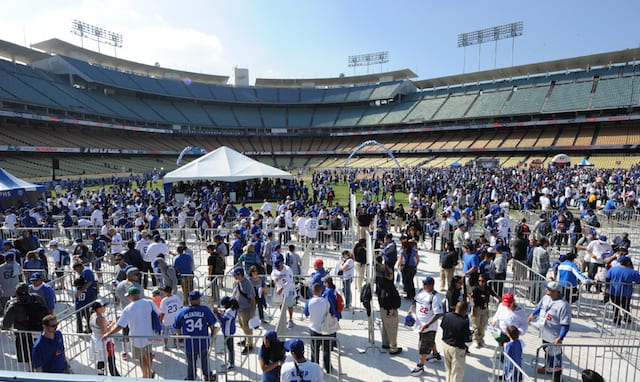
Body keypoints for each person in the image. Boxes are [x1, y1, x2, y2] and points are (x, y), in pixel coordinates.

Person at [103, 286, 158, 379]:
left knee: (141, 358)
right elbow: (158, 314)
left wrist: (108, 334)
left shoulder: (129, 308)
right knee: (148, 355)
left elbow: (120, 325)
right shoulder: (149, 302)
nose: (127, 297)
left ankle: (146, 376)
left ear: (132, 296)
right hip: (149, 334)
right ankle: (149, 372)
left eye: (128, 296)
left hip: (136, 338)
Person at [528, 281, 571, 381]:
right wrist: (533, 314)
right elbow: (540, 307)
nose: (546, 290)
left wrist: (560, 337)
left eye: (549, 289)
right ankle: (547, 368)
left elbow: (566, 324)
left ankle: (557, 378)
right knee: (545, 350)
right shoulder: (546, 298)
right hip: (544, 332)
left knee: (556, 357)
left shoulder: (564, 305)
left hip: (554, 336)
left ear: (556, 292)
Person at [173, 290, 217, 381]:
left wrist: (180, 336)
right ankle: (207, 375)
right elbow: (212, 325)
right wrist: (213, 333)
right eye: (199, 298)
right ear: (196, 300)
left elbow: (177, 327)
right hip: (203, 341)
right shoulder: (205, 310)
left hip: (189, 342)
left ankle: (191, 377)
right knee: (204, 359)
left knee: (191, 361)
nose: (200, 300)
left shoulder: (182, 312)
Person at [2, 283, 48, 363]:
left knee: (28, 360)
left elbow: (6, 325)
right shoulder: (37, 298)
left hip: (23, 337)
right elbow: (46, 311)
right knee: (41, 356)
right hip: (39, 333)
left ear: (16, 293)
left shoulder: (14, 306)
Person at [408, 276, 444, 377]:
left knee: (423, 347)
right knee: (428, 341)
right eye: (423, 283)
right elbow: (415, 301)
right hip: (419, 324)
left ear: (431, 285)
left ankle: (420, 365)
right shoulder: (420, 291)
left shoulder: (435, 297)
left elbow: (438, 314)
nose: (424, 285)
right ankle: (436, 355)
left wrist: (427, 325)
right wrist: (411, 309)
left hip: (429, 327)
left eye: (426, 284)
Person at [440, 301, 472, 382]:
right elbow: (468, 341)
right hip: (457, 349)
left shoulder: (447, 316)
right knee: (456, 373)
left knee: (448, 369)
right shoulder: (464, 322)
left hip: (445, 345)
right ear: (464, 310)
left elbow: (442, 326)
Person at [304, 282, 332, 373]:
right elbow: (330, 312)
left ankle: (315, 369)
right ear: (321, 291)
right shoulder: (326, 301)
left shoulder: (309, 302)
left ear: (312, 291)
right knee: (326, 350)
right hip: (325, 329)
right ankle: (328, 368)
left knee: (314, 351)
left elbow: (306, 313)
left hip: (313, 328)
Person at [605, 255, 640, 325]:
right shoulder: (632, 272)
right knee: (626, 306)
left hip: (613, 291)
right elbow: (638, 281)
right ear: (628, 262)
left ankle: (616, 320)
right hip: (626, 293)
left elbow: (607, 278)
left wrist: (607, 288)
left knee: (615, 306)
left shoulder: (612, 269)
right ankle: (627, 319)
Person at [89, 299, 120, 376]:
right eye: (104, 306)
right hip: (104, 342)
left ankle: (101, 376)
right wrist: (112, 325)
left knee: (100, 360)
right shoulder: (100, 318)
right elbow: (105, 332)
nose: (105, 308)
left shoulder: (92, 315)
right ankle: (115, 376)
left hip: (96, 340)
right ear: (99, 308)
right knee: (111, 360)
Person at [376, 267, 403, 355]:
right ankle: (393, 348)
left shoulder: (381, 282)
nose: (392, 275)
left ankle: (386, 343)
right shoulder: (386, 284)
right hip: (389, 309)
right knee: (392, 328)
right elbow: (384, 297)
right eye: (390, 273)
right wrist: (390, 309)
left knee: (386, 326)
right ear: (385, 274)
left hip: (384, 309)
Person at [231, 266, 256, 354]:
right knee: (242, 326)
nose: (234, 277)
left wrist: (252, 311)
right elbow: (234, 293)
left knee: (247, 328)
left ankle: (249, 345)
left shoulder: (248, 284)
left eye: (235, 275)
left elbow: (252, 298)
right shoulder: (236, 282)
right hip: (239, 309)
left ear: (240, 275)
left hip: (246, 309)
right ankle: (246, 340)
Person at [470, 275, 499, 348]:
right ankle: (475, 340)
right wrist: (473, 310)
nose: (481, 282)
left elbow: (494, 295)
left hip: (485, 309)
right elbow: (472, 300)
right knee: (476, 326)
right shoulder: (475, 289)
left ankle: (481, 340)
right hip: (477, 309)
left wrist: (502, 300)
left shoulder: (487, 289)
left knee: (482, 326)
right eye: (479, 281)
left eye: (483, 281)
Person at [271, 254, 296, 329]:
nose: (278, 269)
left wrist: (281, 288)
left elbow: (289, 281)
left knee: (289, 305)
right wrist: (274, 278)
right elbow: (273, 274)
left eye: (279, 267)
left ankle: (291, 319)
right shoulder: (276, 269)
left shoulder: (288, 270)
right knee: (281, 304)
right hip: (280, 291)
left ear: (282, 264)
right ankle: (283, 318)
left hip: (289, 290)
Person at [72, 262, 98, 333]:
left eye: (76, 269)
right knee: (85, 316)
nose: (76, 272)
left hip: (89, 297)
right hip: (86, 298)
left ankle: (89, 328)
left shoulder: (86, 271)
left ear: (79, 267)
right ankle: (81, 330)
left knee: (88, 315)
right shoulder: (84, 273)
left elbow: (89, 282)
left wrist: (80, 290)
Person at [215, 296, 238, 370]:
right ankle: (229, 361)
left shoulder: (229, 311)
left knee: (230, 348)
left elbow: (223, 320)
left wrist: (217, 314)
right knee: (229, 348)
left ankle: (231, 363)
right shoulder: (232, 309)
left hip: (228, 332)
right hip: (229, 331)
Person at [159, 285, 183, 350]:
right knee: (174, 333)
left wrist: (160, 320)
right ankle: (175, 343)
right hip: (175, 319)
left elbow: (162, 312)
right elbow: (181, 307)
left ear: (165, 292)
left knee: (165, 334)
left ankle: (166, 345)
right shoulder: (176, 297)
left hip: (167, 320)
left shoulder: (164, 300)